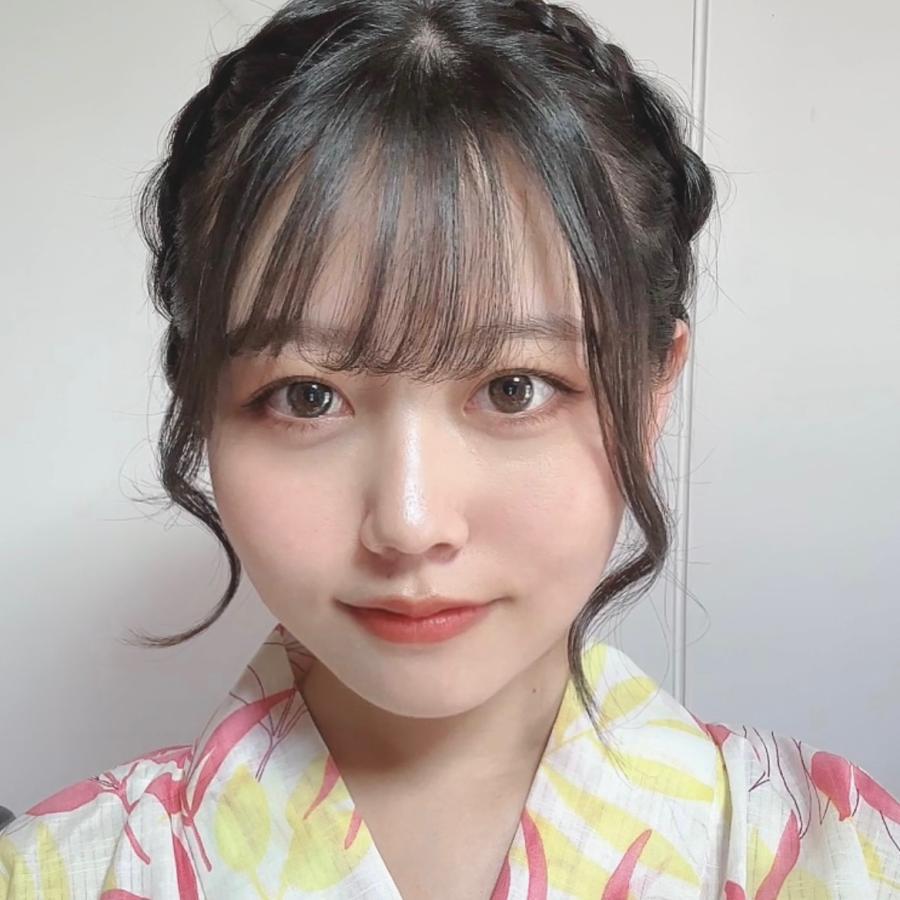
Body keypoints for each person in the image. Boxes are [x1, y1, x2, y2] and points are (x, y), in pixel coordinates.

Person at [3, 0, 898, 897]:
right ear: (203, 401)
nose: (410, 522)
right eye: (308, 396)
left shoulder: (845, 858)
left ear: (652, 390)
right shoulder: (55, 873)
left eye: (515, 388)